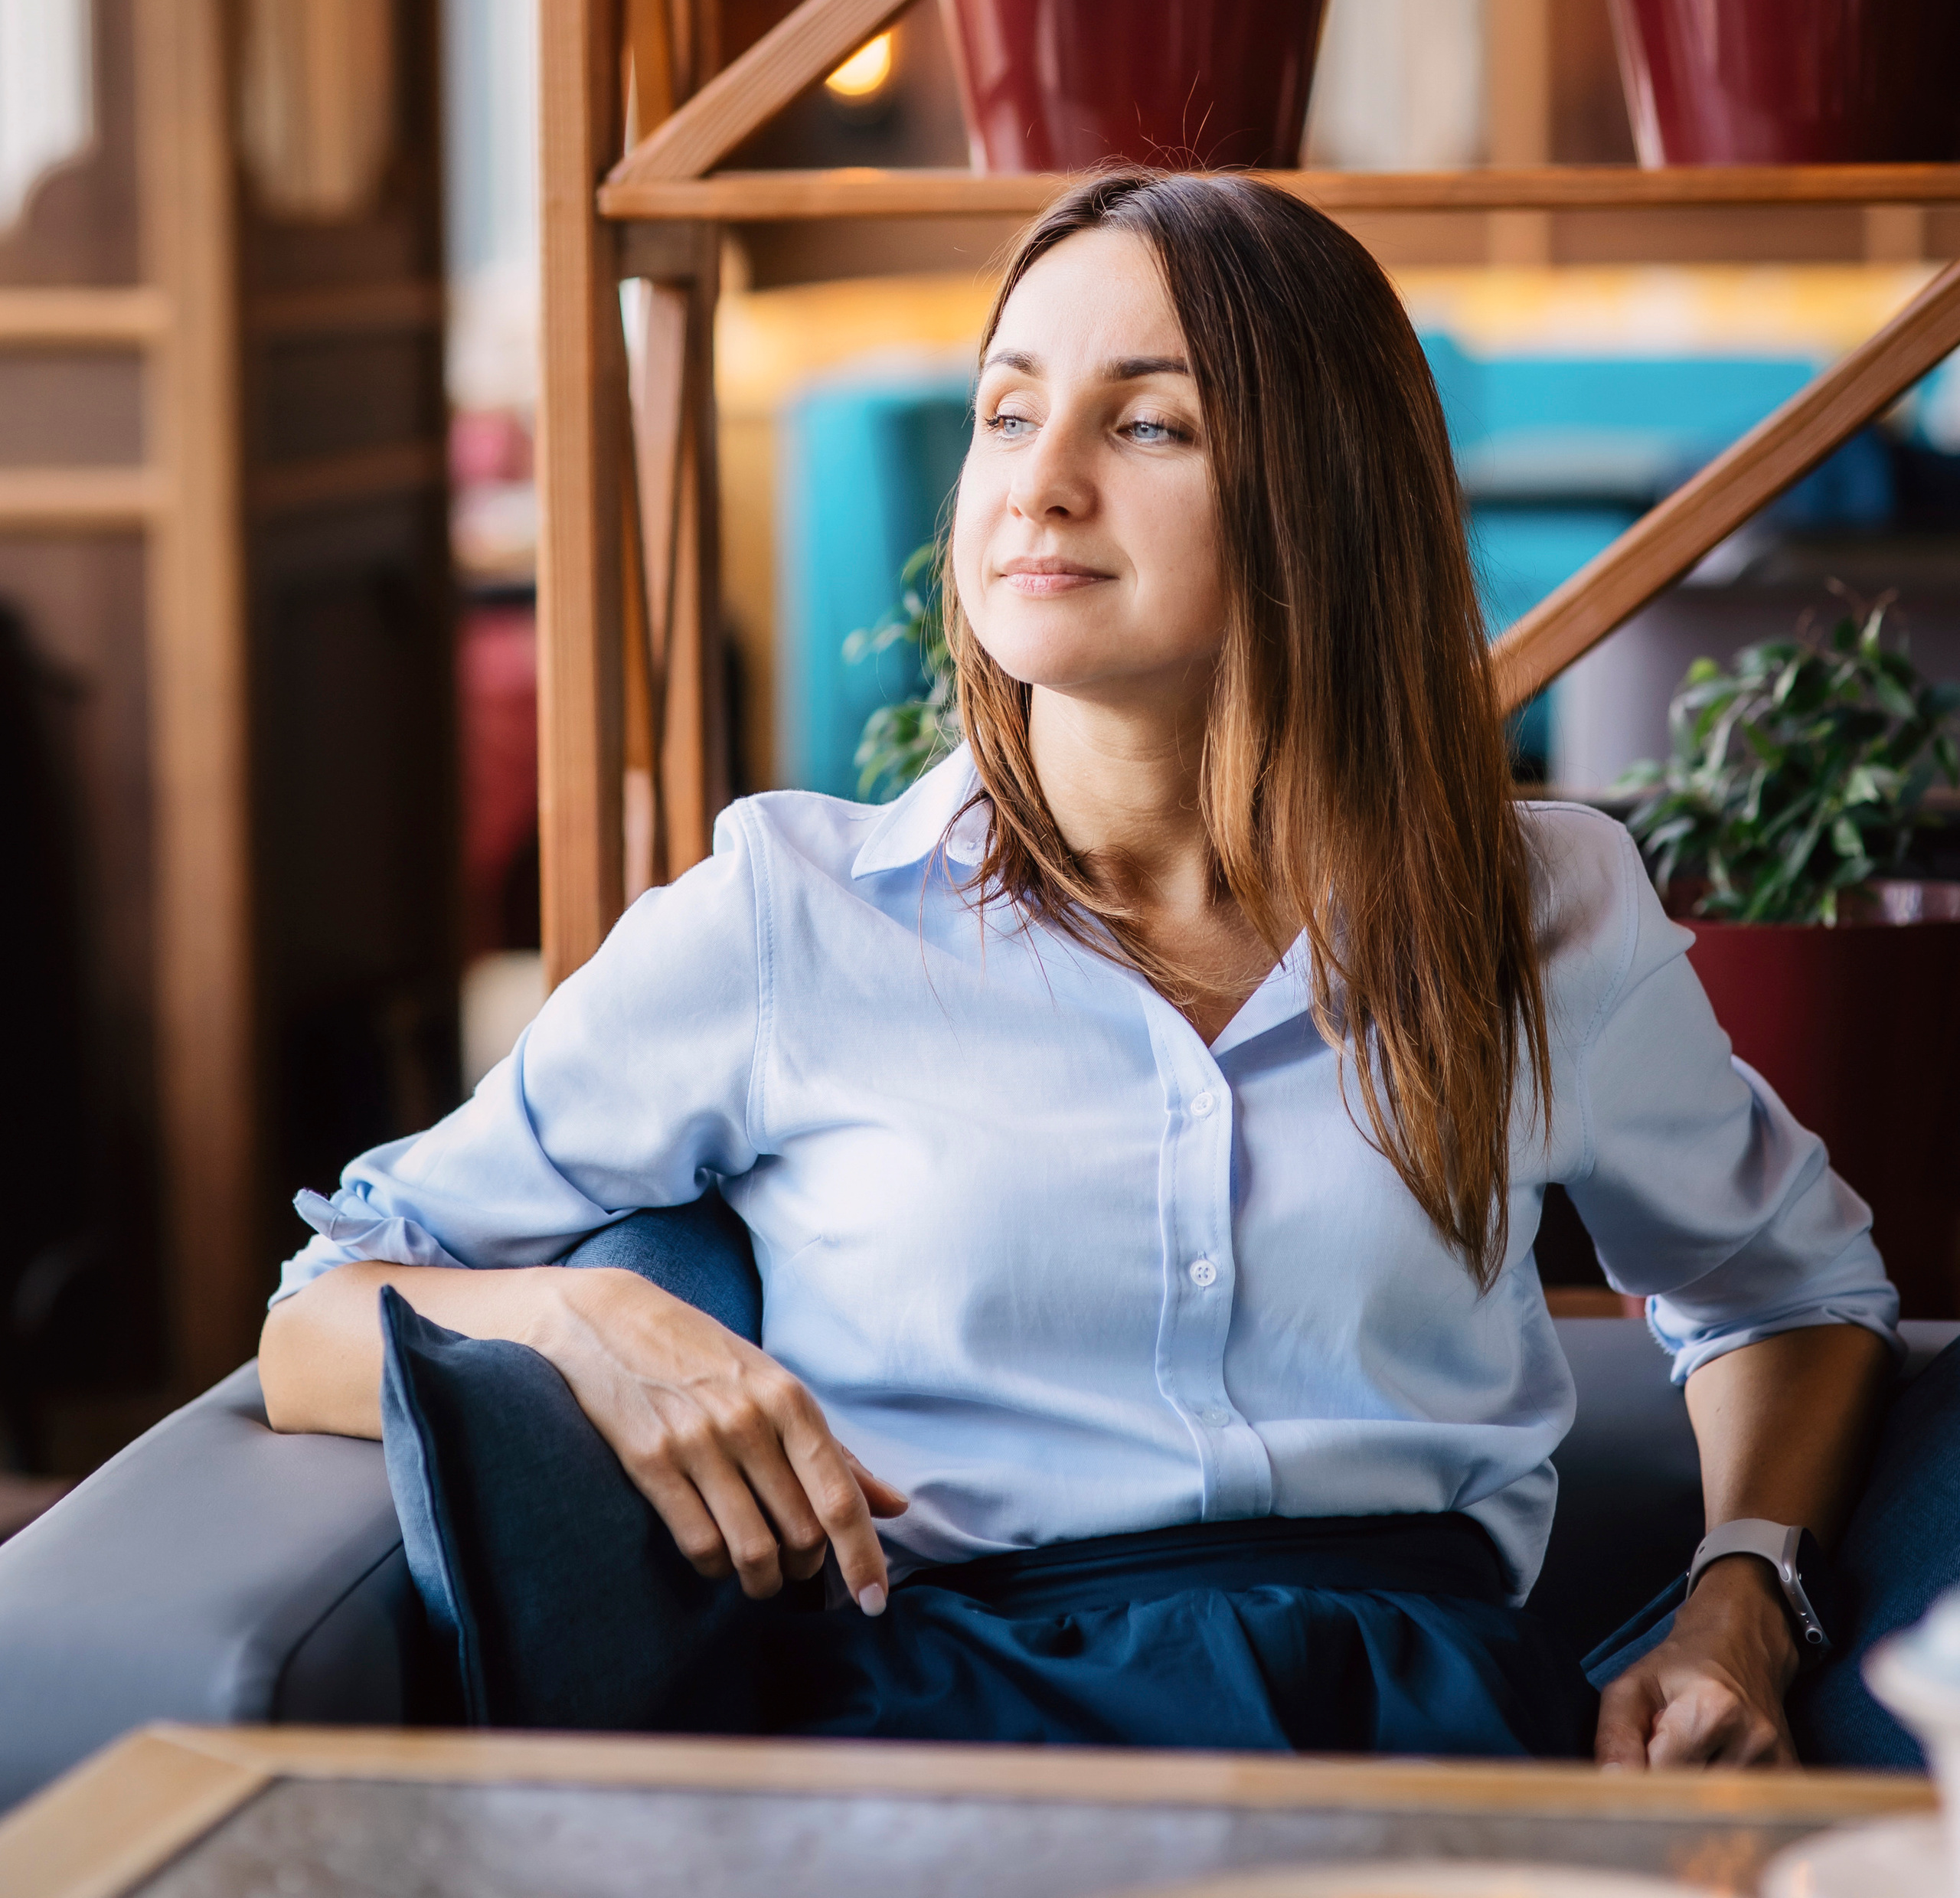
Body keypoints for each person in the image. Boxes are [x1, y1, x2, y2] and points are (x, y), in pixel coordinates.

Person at [262, 168, 1897, 1762]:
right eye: (1004, 411)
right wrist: (583, 1322)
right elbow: (316, 1315)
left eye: (1144, 423)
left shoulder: (1542, 908)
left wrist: (1737, 1595)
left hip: (1425, 1735)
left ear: (1318, 494)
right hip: (949, 1744)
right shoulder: (789, 913)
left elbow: (1788, 1289)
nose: (1035, 483)